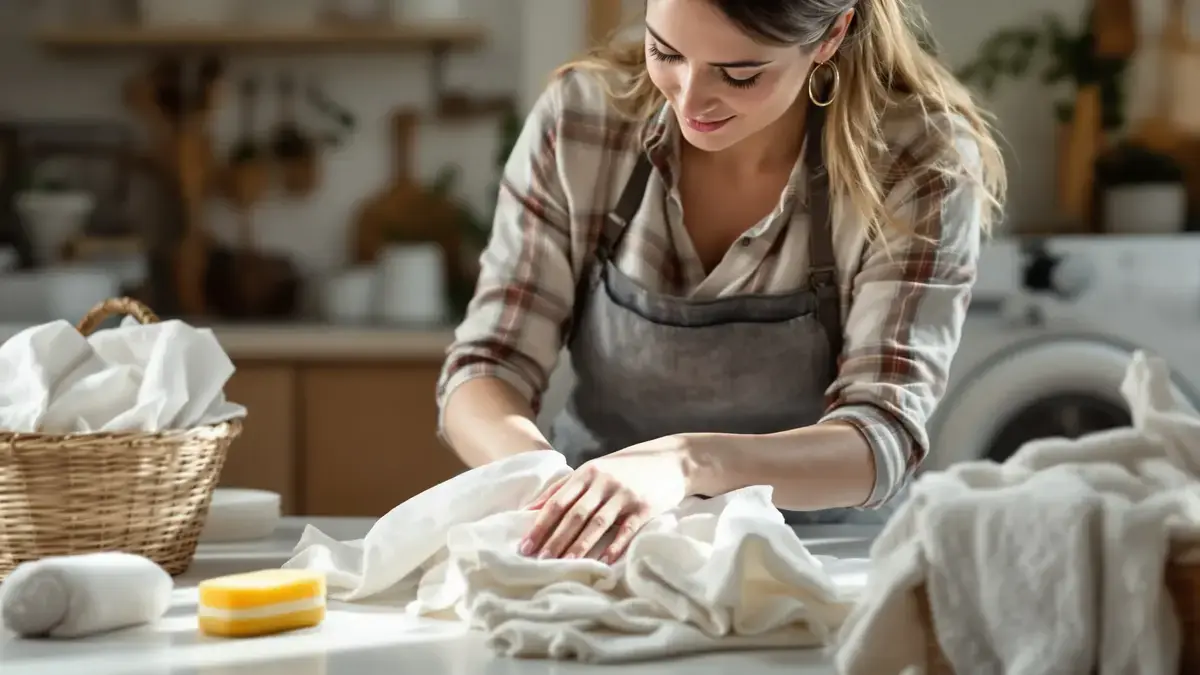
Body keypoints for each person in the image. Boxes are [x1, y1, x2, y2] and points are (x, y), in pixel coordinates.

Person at [436, 0, 1005, 563]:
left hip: (824, 555)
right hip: (603, 551)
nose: (688, 98)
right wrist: (555, 489)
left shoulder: (916, 158)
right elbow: (488, 364)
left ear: (831, 38)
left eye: (739, 74)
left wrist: (686, 464)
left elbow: (883, 433)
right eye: (666, 52)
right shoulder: (584, 120)